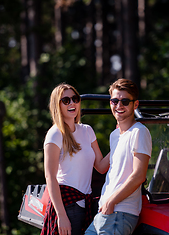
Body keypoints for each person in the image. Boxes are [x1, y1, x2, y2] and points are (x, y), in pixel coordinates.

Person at [85, 78, 152, 235]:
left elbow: (139, 175)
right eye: (114, 101)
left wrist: (112, 200)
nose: (119, 105)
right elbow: (101, 167)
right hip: (106, 212)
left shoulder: (139, 132)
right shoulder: (115, 135)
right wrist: (84, 135)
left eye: (125, 101)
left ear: (135, 104)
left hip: (120, 212)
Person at [41, 83, 110, 235]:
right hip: (66, 205)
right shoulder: (54, 134)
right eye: (66, 100)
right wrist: (61, 215)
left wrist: (121, 139)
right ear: (57, 105)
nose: (72, 103)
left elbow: (100, 166)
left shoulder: (87, 130)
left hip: (87, 204)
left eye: (75, 98)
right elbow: (50, 177)